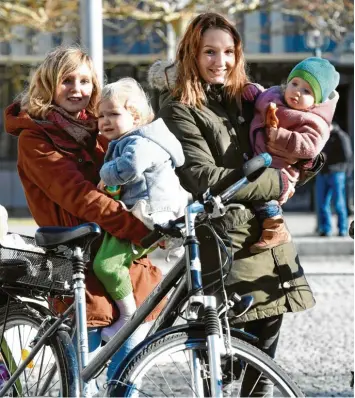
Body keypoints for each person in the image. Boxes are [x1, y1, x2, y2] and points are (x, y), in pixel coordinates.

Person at [149, 12, 323, 395]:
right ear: (191, 53)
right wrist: (277, 181)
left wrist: (306, 162)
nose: (220, 61)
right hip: (225, 245)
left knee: (263, 363)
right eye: (209, 51)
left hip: (268, 242)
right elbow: (202, 177)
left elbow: (275, 152)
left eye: (228, 51)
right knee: (225, 364)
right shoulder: (178, 107)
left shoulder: (247, 99)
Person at [4, 46, 165, 386]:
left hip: (118, 258)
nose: (77, 90)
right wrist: (140, 230)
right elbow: (80, 196)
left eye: (85, 81)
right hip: (77, 263)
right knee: (83, 381)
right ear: (48, 85)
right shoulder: (36, 138)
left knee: (130, 371)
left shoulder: (101, 128)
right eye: (66, 81)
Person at [93, 77, 187, 342]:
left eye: (113, 113)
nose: (105, 121)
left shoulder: (141, 142)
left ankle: (127, 316)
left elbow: (130, 167)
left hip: (150, 215)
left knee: (107, 265)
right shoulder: (135, 139)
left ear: (135, 116)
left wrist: (105, 172)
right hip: (148, 211)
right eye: (101, 115)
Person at [242, 57, 339, 252]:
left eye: (306, 91)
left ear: (317, 101)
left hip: (281, 170)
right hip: (258, 158)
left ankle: (276, 228)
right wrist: (253, 92)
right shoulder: (274, 96)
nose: (297, 91)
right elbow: (262, 95)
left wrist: (279, 136)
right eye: (294, 83)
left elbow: (310, 145)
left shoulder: (314, 121)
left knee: (264, 200)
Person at [315, 121, 353, 236]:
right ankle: (326, 229)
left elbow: (348, 156)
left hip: (337, 173)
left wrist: (345, 171)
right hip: (323, 173)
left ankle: (343, 229)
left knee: (339, 203)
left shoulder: (341, 136)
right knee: (322, 203)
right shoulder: (321, 137)